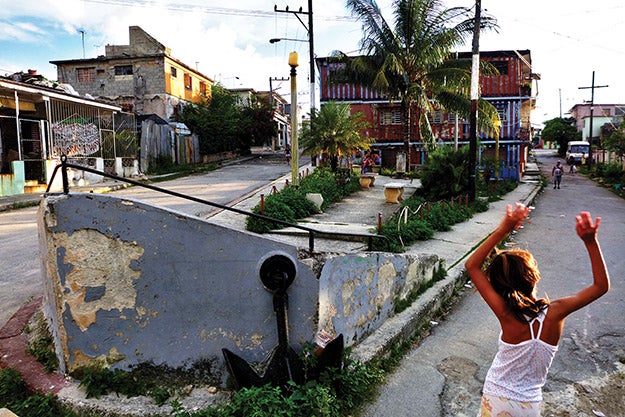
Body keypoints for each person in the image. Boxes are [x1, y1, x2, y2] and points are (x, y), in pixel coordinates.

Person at [465, 203, 609, 417]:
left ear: (498, 287)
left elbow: (472, 266)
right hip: (529, 404)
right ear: (534, 277)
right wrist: (591, 242)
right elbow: (601, 286)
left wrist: (504, 229)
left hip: (495, 397)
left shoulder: (506, 314)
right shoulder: (555, 313)